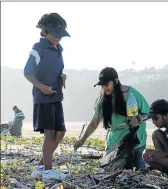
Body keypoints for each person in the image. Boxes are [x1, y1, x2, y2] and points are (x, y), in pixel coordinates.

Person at [24, 13, 70, 182]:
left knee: (60, 133)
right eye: (55, 34)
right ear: (44, 31)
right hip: (43, 98)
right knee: (49, 134)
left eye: (61, 34)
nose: (58, 38)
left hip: (57, 97)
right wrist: (42, 87)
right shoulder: (38, 48)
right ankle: (48, 172)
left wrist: (62, 76)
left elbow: (54, 70)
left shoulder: (59, 50)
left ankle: (41, 167)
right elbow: (27, 73)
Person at [74, 67, 150, 170]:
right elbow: (94, 123)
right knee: (110, 173)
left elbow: (149, 112)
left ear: (116, 81)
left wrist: (138, 118)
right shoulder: (101, 100)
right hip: (114, 142)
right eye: (102, 85)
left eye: (107, 84)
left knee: (140, 174)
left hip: (136, 141)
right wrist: (82, 140)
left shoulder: (131, 94)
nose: (105, 88)